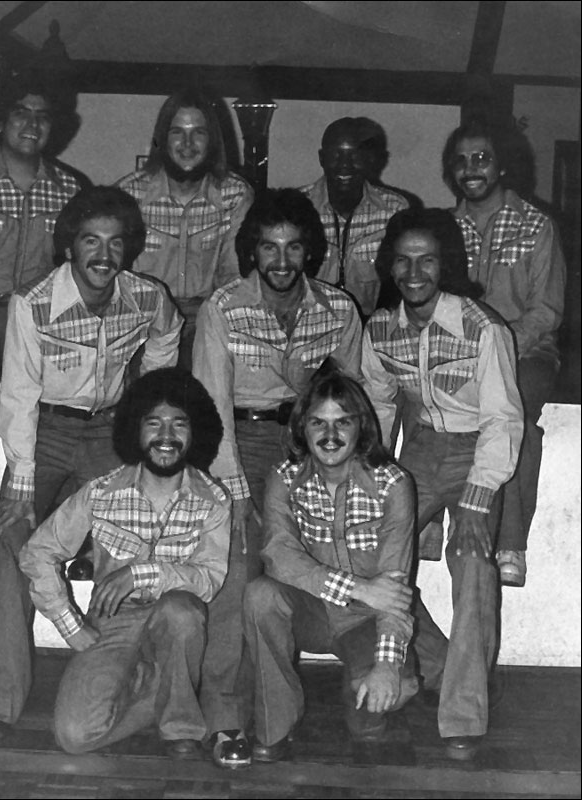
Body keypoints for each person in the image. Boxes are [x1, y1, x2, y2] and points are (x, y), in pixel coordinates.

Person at [0, 185, 183, 746]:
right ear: (70, 245)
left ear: (128, 248)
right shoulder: (33, 302)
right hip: (46, 430)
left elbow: (167, 334)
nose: (103, 255)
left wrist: (147, 401)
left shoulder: (147, 297)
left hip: (109, 431)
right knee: (13, 540)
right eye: (91, 241)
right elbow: (19, 393)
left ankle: (118, 679)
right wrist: (20, 479)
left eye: (115, 243)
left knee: (130, 538)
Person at [192, 188, 362, 768]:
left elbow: (351, 397)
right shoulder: (222, 307)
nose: (282, 260)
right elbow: (212, 404)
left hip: (310, 444)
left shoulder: (338, 309)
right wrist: (235, 487)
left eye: (293, 247)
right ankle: (225, 720)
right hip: (240, 440)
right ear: (252, 251)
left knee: (314, 570)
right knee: (237, 577)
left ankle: (295, 711)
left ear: (309, 250)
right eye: (269, 247)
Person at [361, 208, 524, 761]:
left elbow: (504, 419)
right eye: (403, 260)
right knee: (373, 555)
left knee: (473, 564)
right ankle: (439, 663)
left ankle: (464, 714)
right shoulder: (380, 329)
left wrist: (478, 500)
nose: (414, 272)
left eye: (427, 260)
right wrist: (373, 475)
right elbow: (380, 406)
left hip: (478, 451)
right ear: (389, 265)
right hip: (422, 449)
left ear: (446, 264)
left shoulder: (483, 327)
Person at [18, 368, 230, 758]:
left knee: (182, 611)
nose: (166, 436)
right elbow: (37, 552)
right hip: (112, 619)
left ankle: (180, 726)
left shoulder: (213, 501)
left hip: (176, 621)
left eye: (179, 424)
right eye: (154, 423)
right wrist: (70, 625)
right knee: (74, 735)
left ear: (196, 431)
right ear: (135, 429)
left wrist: (139, 573)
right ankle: (154, 688)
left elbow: (209, 580)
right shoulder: (100, 492)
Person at [242, 366, 418, 762]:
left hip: (366, 618)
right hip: (311, 610)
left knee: (387, 697)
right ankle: (274, 725)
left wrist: (387, 666)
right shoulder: (284, 478)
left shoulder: (393, 484)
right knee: (260, 595)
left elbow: (393, 588)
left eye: (343, 422)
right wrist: (357, 586)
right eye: (318, 422)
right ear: (301, 428)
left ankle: (364, 679)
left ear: (362, 427)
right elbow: (279, 556)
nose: (330, 434)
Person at [0, 73, 81, 576]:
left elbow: (76, 269)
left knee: (70, 395)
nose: (32, 123)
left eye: (43, 115)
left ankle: (41, 518)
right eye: (22, 112)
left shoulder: (69, 190)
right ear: (2, 121)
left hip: (37, 322)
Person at [442, 117, 566, 587]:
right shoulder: (444, 228)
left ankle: (511, 543)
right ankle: (431, 521)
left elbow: (546, 311)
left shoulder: (536, 225)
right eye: (461, 161)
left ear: (502, 165)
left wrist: (499, 349)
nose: (470, 169)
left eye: (481, 158)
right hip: (460, 353)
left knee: (513, 416)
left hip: (526, 354)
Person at [117, 87, 254, 369]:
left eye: (198, 132)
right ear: (163, 138)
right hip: (145, 320)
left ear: (212, 140)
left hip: (207, 318)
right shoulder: (131, 193)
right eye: (177, 132)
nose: (187, 143)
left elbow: (234, 276)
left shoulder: (234, 194)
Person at [300, 117, 408, 318]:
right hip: (310, 326)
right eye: (336, 154)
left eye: (355, 155)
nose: (344, 164)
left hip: (372, 327)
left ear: (370, 159)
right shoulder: (297, 207)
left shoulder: (394, 210)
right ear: (322, 158)